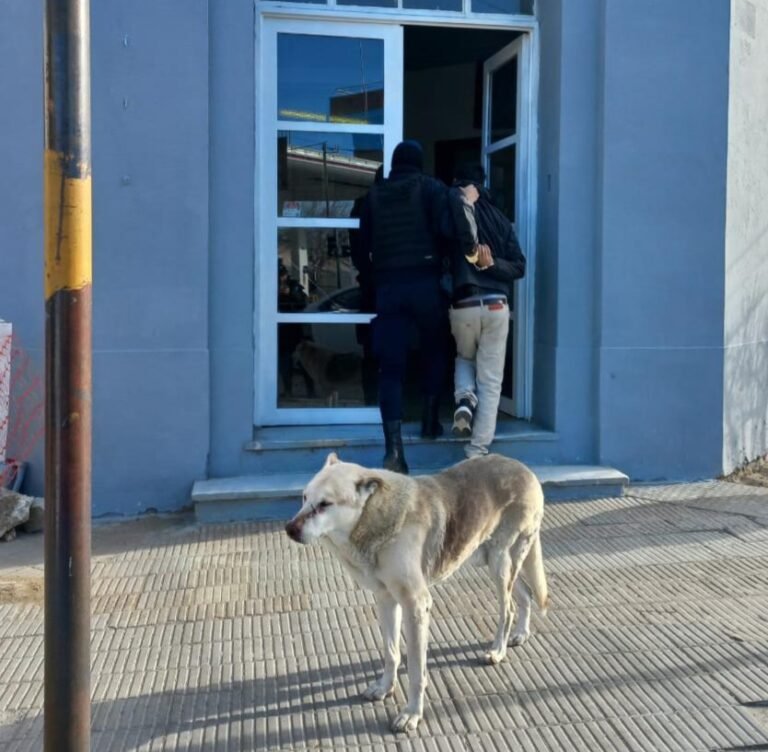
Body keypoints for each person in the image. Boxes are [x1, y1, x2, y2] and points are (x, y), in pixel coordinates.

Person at [359, 141, 479, 474]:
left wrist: (371, 282)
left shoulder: (374, 196)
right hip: (425, 284)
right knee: (436, 349)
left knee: (391, 367)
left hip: (389, 287)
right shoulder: (431, 188)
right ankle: (429, 420)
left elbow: (361, 245)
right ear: (419, 162)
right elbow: (446, 231)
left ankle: (394, 451)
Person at [448, 163, 526, 458]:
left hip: (463, 302)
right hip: (496, 305)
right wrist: (493, 265)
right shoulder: (501, 220)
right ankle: (477, 450)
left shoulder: (452, 209)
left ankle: (465, 399)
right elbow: (519, 266)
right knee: (491, 381)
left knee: (464, 357)